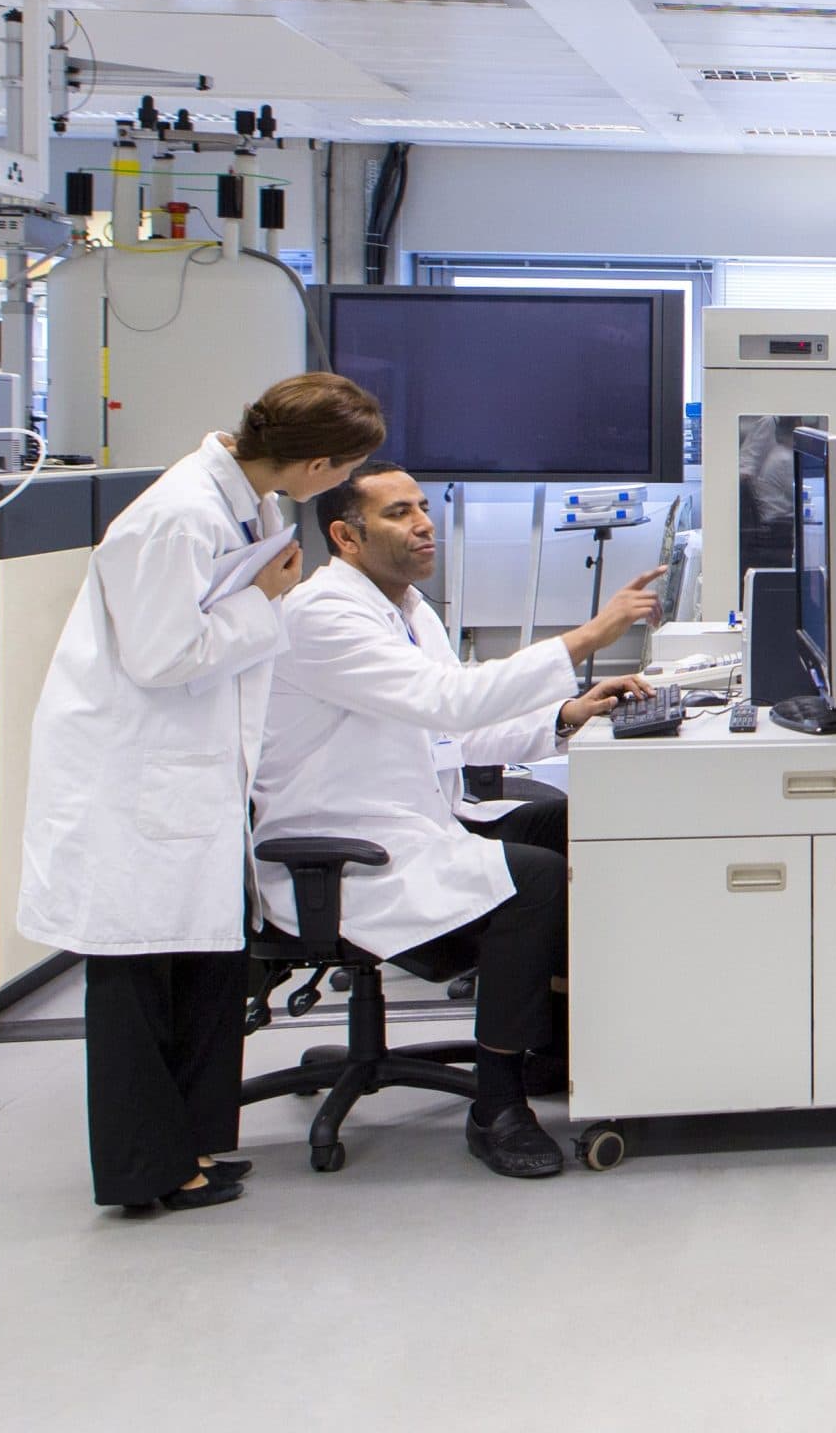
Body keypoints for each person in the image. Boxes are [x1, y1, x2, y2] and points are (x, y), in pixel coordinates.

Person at [18, 373, 386, 1212]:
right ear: (317, 464)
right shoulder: (180, 514)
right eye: (347, 466)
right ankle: (148, 1170)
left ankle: (191, 1146)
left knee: (201, 969)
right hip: (137, 778)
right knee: (141, 981)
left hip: (189, 773)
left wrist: (258, 602)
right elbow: (161, 654)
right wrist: (265, 599)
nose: (346, 481)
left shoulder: (247, 500)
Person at [249, 463, 662, 1177]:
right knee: (533, 880)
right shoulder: (322, 615)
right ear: (345, 536)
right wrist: (591, 635)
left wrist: (567, 713)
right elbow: (450, 701)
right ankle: (495, 1105)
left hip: (418, 822)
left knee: (571, 826)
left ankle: (549, 1048)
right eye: (398, 513)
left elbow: (455, 733)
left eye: (422, 507)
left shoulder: (408, 609)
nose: (423, 523)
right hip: (343, 853)